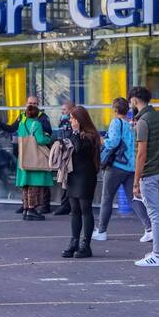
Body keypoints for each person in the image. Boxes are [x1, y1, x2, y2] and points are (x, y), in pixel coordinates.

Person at [94, 97, 154, 243]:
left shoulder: (116, 122)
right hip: (131, 167)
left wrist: (102, 140)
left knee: (107, 198)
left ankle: (101, 231)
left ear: (115, 110)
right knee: (133, 199)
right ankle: (149, 228)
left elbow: (113, 142)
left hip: (116, 167)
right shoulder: (132, 125)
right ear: (127, 110)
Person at [130, 86, 159, 267]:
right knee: (156, 213)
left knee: (154, 214)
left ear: (134, 100)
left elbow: (141, 154)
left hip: (149, 173)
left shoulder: (143, 122)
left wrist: (136, 181)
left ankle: (158, 254)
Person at [0, 95, 53, 215]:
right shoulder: (23, 118)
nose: (32, 105)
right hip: (29, 154)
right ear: (26, 104)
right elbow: (12, 128)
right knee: (32, 182)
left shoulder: (42, 118)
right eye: (30, 103)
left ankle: (34, 206)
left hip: (30, 154)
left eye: (34, 103)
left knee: (31, 182)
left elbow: (47, 130)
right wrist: (0, 124)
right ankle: (29, 207)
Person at [61, 106, 101, 258]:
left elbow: (79, 149)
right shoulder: (72, 133)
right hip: (73, 173)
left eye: (73, 118)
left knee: (85, 208)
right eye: (70, 118)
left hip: (85, 174)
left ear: (80, 119)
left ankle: (86, 244)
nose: (71, 121)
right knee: (74, 209)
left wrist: (76, 132)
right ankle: (74, 242)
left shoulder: (90, 135)